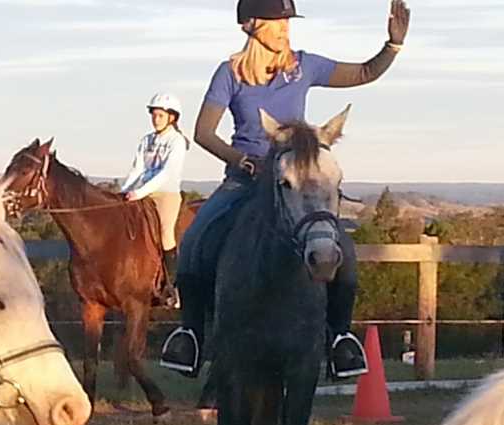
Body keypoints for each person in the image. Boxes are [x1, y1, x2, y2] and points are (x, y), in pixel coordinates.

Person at [160, 0, 411, 379]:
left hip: (293, 181)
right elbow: (203, 133)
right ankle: (190, 335)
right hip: (245, 181)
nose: (285, 29)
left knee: (341, 248)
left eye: (287, 22)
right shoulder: (229, 73)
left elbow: (363, 72)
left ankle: (340, 337)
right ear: (250, 25)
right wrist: (242, 160)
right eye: (277, 22)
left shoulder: (303, 66)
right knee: (195, 241)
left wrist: (391, 46)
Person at [121, 92, 190, 308]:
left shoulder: (176, 141)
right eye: (154, 114)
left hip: (165, 194)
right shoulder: (146, 140)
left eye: (160, 115)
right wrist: (125, 191)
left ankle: (174, 288)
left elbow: (166, 174)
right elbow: (138, 169)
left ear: (171, 117)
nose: (155, 119)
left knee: (166, 234)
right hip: (142, 191)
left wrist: (139, 193)